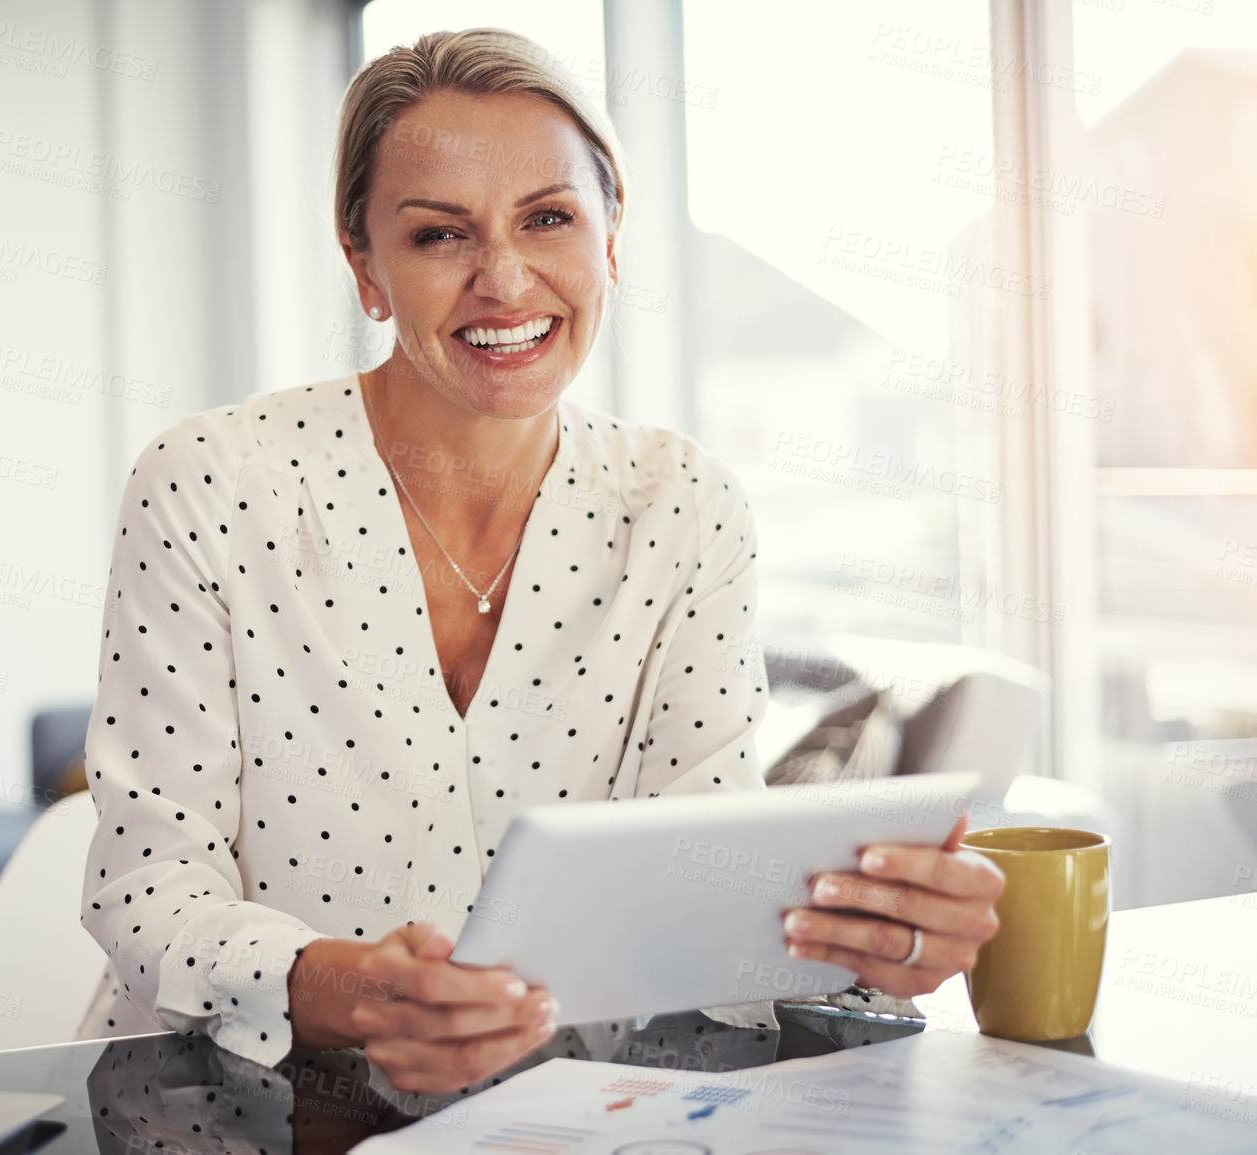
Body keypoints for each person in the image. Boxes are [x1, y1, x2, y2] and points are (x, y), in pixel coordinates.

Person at [77, 27, 1004, 1096]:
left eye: (549, 218)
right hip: (224, 1104)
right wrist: (345, 988)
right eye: (438, 236)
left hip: (563, 1110)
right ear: (365, 269)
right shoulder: (209, 482)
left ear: (611, 241)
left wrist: (862, 944)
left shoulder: (682, 506)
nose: (505, 280)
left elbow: (700, 886)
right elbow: (146, 886)